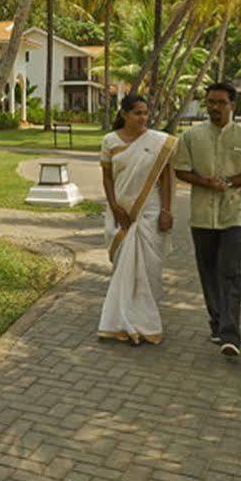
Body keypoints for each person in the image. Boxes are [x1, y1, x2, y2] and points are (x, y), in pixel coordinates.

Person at [172, 81, 241, 357]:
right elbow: (181, 171)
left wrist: (229, 181)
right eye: (210, 102)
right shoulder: (192, 137)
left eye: (220, 103)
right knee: (208, 271)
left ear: (232, 105)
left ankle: (230, 334)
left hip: (234, 214)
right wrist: (204, 181)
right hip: (202, 216)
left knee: (230, 270)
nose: (214, 107)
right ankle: (216, 323)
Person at [98, 94, 177, 345]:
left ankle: (145, 324)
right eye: (138, 113)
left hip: (150, 211)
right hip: (120, 211)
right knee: (123, 265)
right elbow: (108, 177)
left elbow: (166, 179)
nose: (143, 118)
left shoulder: (157, 141)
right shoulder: (110, 141)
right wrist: (114, 206)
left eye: (145, 113)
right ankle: (120, 323)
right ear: (124, 114)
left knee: (149, 270)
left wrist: (166, 211)